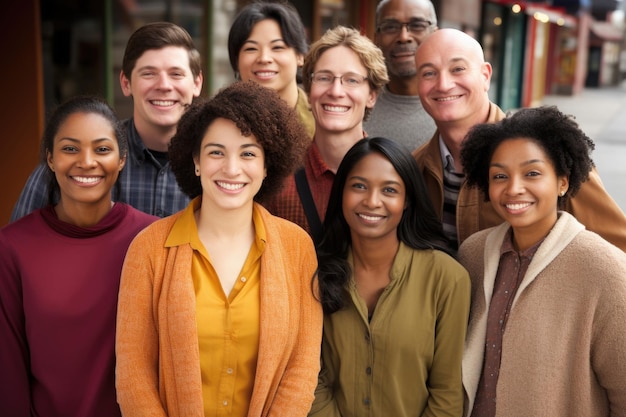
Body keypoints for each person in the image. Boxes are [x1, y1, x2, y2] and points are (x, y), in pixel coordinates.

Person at [115, 81, 322, 417]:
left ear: (268, 164)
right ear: (195, 160)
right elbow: (133, 377)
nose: (231, 168)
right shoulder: (149, 248)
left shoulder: (297, 247)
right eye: (216, 152)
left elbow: (302, 367)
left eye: (248, 153)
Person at [458, 106, 626, 416]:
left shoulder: (605, 270)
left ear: (563, 181)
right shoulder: (473, 255)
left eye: (532, 173)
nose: (513, 188)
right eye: (500, 176)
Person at [0, 96, 157, 417]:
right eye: (70, 149)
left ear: (122, 159)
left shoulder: (153, 239)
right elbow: (8, 372)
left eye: (102, 149)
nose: (87, 161)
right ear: (51, 158)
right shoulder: (11, 248)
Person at [413, 28, 626, 252]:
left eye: (458, 69)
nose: (444, 84)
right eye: (428, 73)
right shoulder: (415, 168)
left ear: (485, 76)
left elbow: (618, 249)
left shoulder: (549, 154)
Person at [309, 137, 470, 417]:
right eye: (359, 186)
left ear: (407, 200)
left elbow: (447, 392)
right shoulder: (313, 271)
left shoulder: (447, 279)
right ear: (341, 193)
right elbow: (311, 376)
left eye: (389, 190)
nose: (372, 201)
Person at [11, 22, 203, 221]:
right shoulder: (73, 162)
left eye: (176, 74)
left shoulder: (216, 162)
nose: (164, 85)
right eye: (149, 73)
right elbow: (18, 245)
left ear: (196, 83)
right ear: (126, 83)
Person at [264, 25, 388, 242]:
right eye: (324, 78)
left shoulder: (393, 175)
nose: (336, 91)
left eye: (351, 80)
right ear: (310, 90)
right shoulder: (276, 176)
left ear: (372, 96)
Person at [228, 0, 315, 139]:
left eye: (277, 47)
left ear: (300, 56)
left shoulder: (322, 121)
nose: (264, 58)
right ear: (237, 60)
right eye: (251, 49)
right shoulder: (218, 123)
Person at [363, 0, 438, 151]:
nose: (404, 37)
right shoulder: (357, 104)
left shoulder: (457, 105)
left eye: (417, 25)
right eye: (390, 27)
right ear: (376, 38)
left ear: (434, 34)